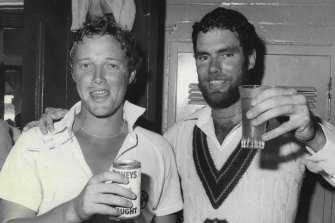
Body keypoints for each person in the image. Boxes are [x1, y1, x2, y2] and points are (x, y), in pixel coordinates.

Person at [23, 7, 335, 223]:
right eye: (203, 57)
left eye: (226, 55)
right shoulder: (176, 137)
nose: (213, 69)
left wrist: (314, 135)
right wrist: (72, 120)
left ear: (251, 57)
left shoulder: (290, 126)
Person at [0, 16, 182, 223]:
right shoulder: (34, 143)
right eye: (86, 65)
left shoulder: (159, 149)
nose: (97, 77)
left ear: (130, 74)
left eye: (111, 66)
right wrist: (73, 211)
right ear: (74, 73)